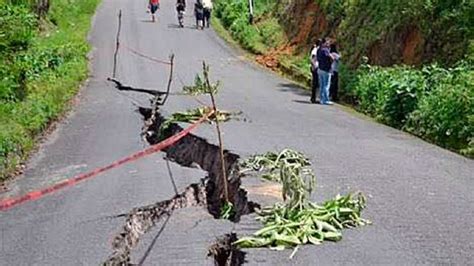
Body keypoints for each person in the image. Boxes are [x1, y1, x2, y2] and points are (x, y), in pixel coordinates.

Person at [316, 38, 335, 105]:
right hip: (326, 70)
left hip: (320, 69)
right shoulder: (325, 50)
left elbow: (317, 58)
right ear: (324, 43)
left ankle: (321, 99)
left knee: (321, 85)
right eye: (327, 43)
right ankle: (325, 100)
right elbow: (332, 58)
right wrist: (332, 59)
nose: (328, 44)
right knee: (326, 85)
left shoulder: (318, 49)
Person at [310, 39, 322, 103]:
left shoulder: (317, 50)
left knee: (317, 83)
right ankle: (313, 98)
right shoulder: (315, 50)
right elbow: (312, 59)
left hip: (317, 67)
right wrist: (314, 67)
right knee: (315, 83)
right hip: (315, 68)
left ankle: (315, 97)